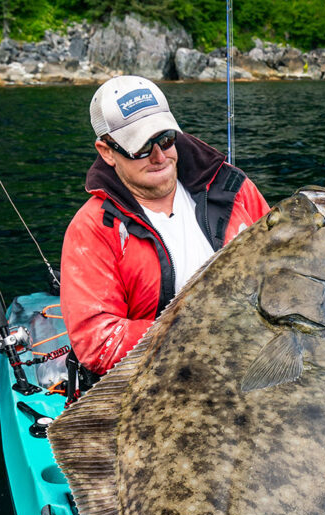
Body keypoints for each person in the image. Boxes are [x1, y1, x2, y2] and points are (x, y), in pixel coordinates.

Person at [60, 75, 270, 377]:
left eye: (166, 138)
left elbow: (281, 267)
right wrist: (205, 330)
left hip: (252, 367)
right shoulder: (93, 228)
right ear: (107, 151)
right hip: (158, 381)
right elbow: (99, 343)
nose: (159, 156)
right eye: (141, 147)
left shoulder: (234, 189)